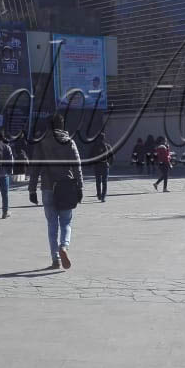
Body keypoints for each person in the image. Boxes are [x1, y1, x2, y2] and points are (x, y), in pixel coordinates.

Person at [28, 114, 83, 270]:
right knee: (66, 222)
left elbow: (35, 167)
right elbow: (77, 165)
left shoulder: (41, 142)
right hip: (66, 187)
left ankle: (55, 259)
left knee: (52, 224)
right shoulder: (69, 141)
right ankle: (64, 246)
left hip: (47, 187)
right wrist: (80, 187)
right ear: (62, 125)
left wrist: (32, 190)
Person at [91, 134, 113, 202]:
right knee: (104, 182)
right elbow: (112, 156)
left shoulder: (95, 146)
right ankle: (103, 197)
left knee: (98, 181)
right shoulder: (108, 146)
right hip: (105, 165)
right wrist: (110, 164)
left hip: (97, 166)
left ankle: (99, 195)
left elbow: (91, 155)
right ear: (104, 138)